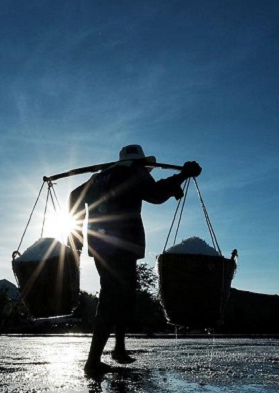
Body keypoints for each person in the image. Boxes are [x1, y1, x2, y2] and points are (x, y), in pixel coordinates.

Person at [68, 144, 201, 374]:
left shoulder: (100, 177)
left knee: (122, 295)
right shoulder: (133, 172)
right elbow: (156, 194)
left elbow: (73, 197)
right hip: (121, 246)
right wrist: (182, 175)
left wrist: (77, 237)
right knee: (113, 297)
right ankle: (92, 362)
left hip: (100, 245)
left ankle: (118, 349)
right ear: (139, 162)